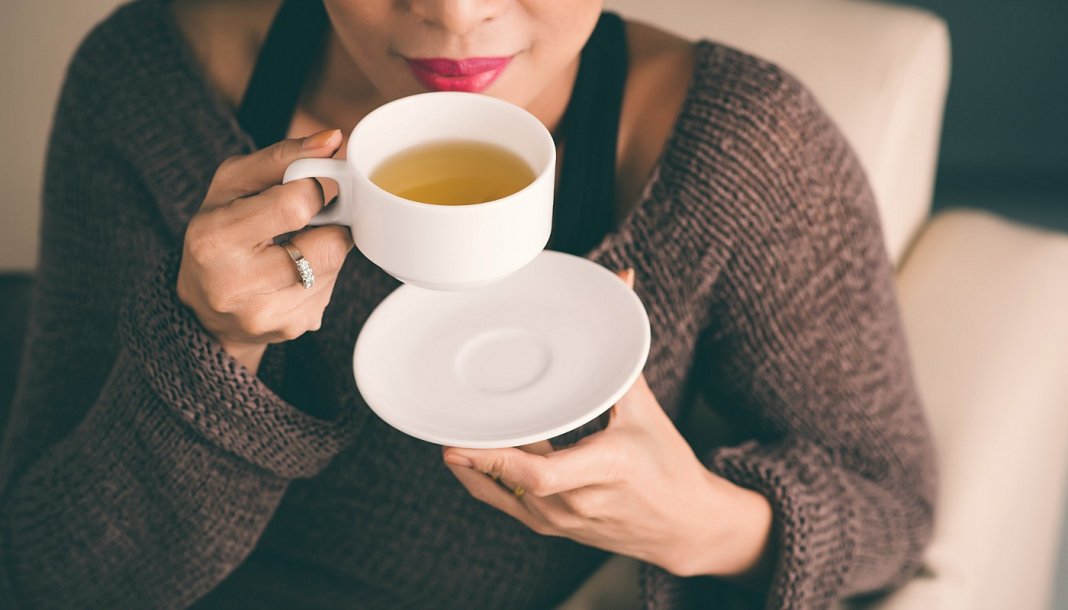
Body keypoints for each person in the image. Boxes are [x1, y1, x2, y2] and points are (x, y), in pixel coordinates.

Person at [0, 0, 936, 608]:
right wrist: (213, 345)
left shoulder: (740, 147)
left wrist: (701, 524)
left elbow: (895, 506)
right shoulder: (150, 83)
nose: (455, 13)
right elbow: (53, 577)